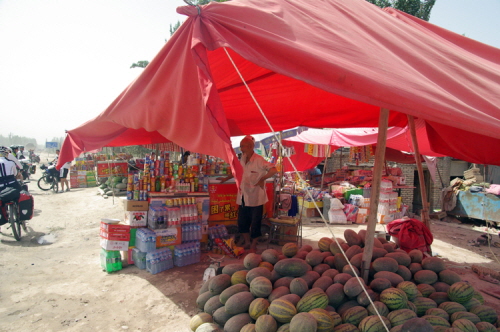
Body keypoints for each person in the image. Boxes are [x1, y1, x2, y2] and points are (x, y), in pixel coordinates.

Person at [219, 136, 277, 252]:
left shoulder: (259, 160)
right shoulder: (243, 158)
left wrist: (262, 179)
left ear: (250, 146)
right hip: (243, 196)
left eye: (242, 146)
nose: (240, 149)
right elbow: (238, 171)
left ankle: (253, 245)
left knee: (255, 223)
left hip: (256, 197)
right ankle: (247, 242)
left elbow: (274, 170)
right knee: (242, 221)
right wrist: (226, 178)